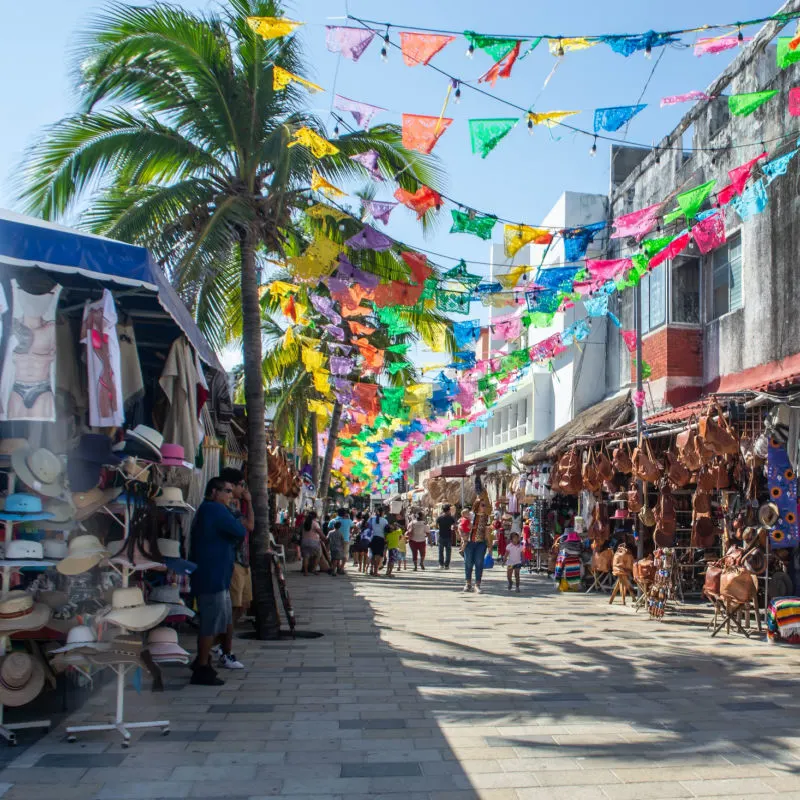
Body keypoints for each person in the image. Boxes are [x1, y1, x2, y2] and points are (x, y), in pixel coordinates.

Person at [188, 477, 246, 685]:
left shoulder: (209, 509)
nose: (231, 496)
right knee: (210, 624)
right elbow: (240, 531)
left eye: (232, 491)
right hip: (212, 575)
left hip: (214, 574)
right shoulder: (214, 509)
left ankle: (202, 660)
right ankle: (202, 667)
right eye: (227, 491)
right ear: (214, 492)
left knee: (215, 621)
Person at [218, 468, 253, 628]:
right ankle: (222, 638)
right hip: (235, 561)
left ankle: (223, 637)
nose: (243, 489)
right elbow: (250, 526)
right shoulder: (228, 508)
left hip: (243, 560)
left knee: (244, 603)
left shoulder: (235, 506)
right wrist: (249, 502)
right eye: (241, 485)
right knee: (234, 604)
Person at [461, 491, 493, 594]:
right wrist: (463, 537)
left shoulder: (487, 517)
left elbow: (488, 531)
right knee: (468, 563)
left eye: (485, 505)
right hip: (469, 542)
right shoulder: (470, 515)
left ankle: (477, 585)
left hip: (481, 543)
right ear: (477, 505)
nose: (484, 507)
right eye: (483, 505)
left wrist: (490, 546)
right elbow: (461, 525)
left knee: (479, 563)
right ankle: (468, 583)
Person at [328, 508, 352, 574]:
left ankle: (335, 568)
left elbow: (329, 529)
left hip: (334, 541)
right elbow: (355, 527)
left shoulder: (333, 520)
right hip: (345, 540)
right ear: (344, 513)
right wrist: (351, 533)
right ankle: (341, 568)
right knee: (344, 555)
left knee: (334, 555)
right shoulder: (349, 521)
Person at [367, 507, 389, 576]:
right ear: (382, 513)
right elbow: (386, 531)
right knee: (378, 556)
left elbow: (368, 527)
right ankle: (375, 571)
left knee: (372, 555)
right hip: (380, 539)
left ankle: (371, 569)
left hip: (372, 538)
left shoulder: (371, 519)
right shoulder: (385, 521)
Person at [301, 511, 322, 576]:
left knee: (306, 557)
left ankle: (306, 572)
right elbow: (320, 532)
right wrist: (325, 538)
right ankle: (314, 569)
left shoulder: (304, 522)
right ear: (315, 517)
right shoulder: (315, 523)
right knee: (318, 555)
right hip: (314, 542)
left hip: (304, 542)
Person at [436, 504, 456, 569]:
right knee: (448, 552)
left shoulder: (439, 518)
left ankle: (441, 564)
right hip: (448, 536)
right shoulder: (451, 518)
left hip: (441, 536)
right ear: (449, 510)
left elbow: (437, 526)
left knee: (440, 551)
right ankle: (447, 565)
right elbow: (454, 526)